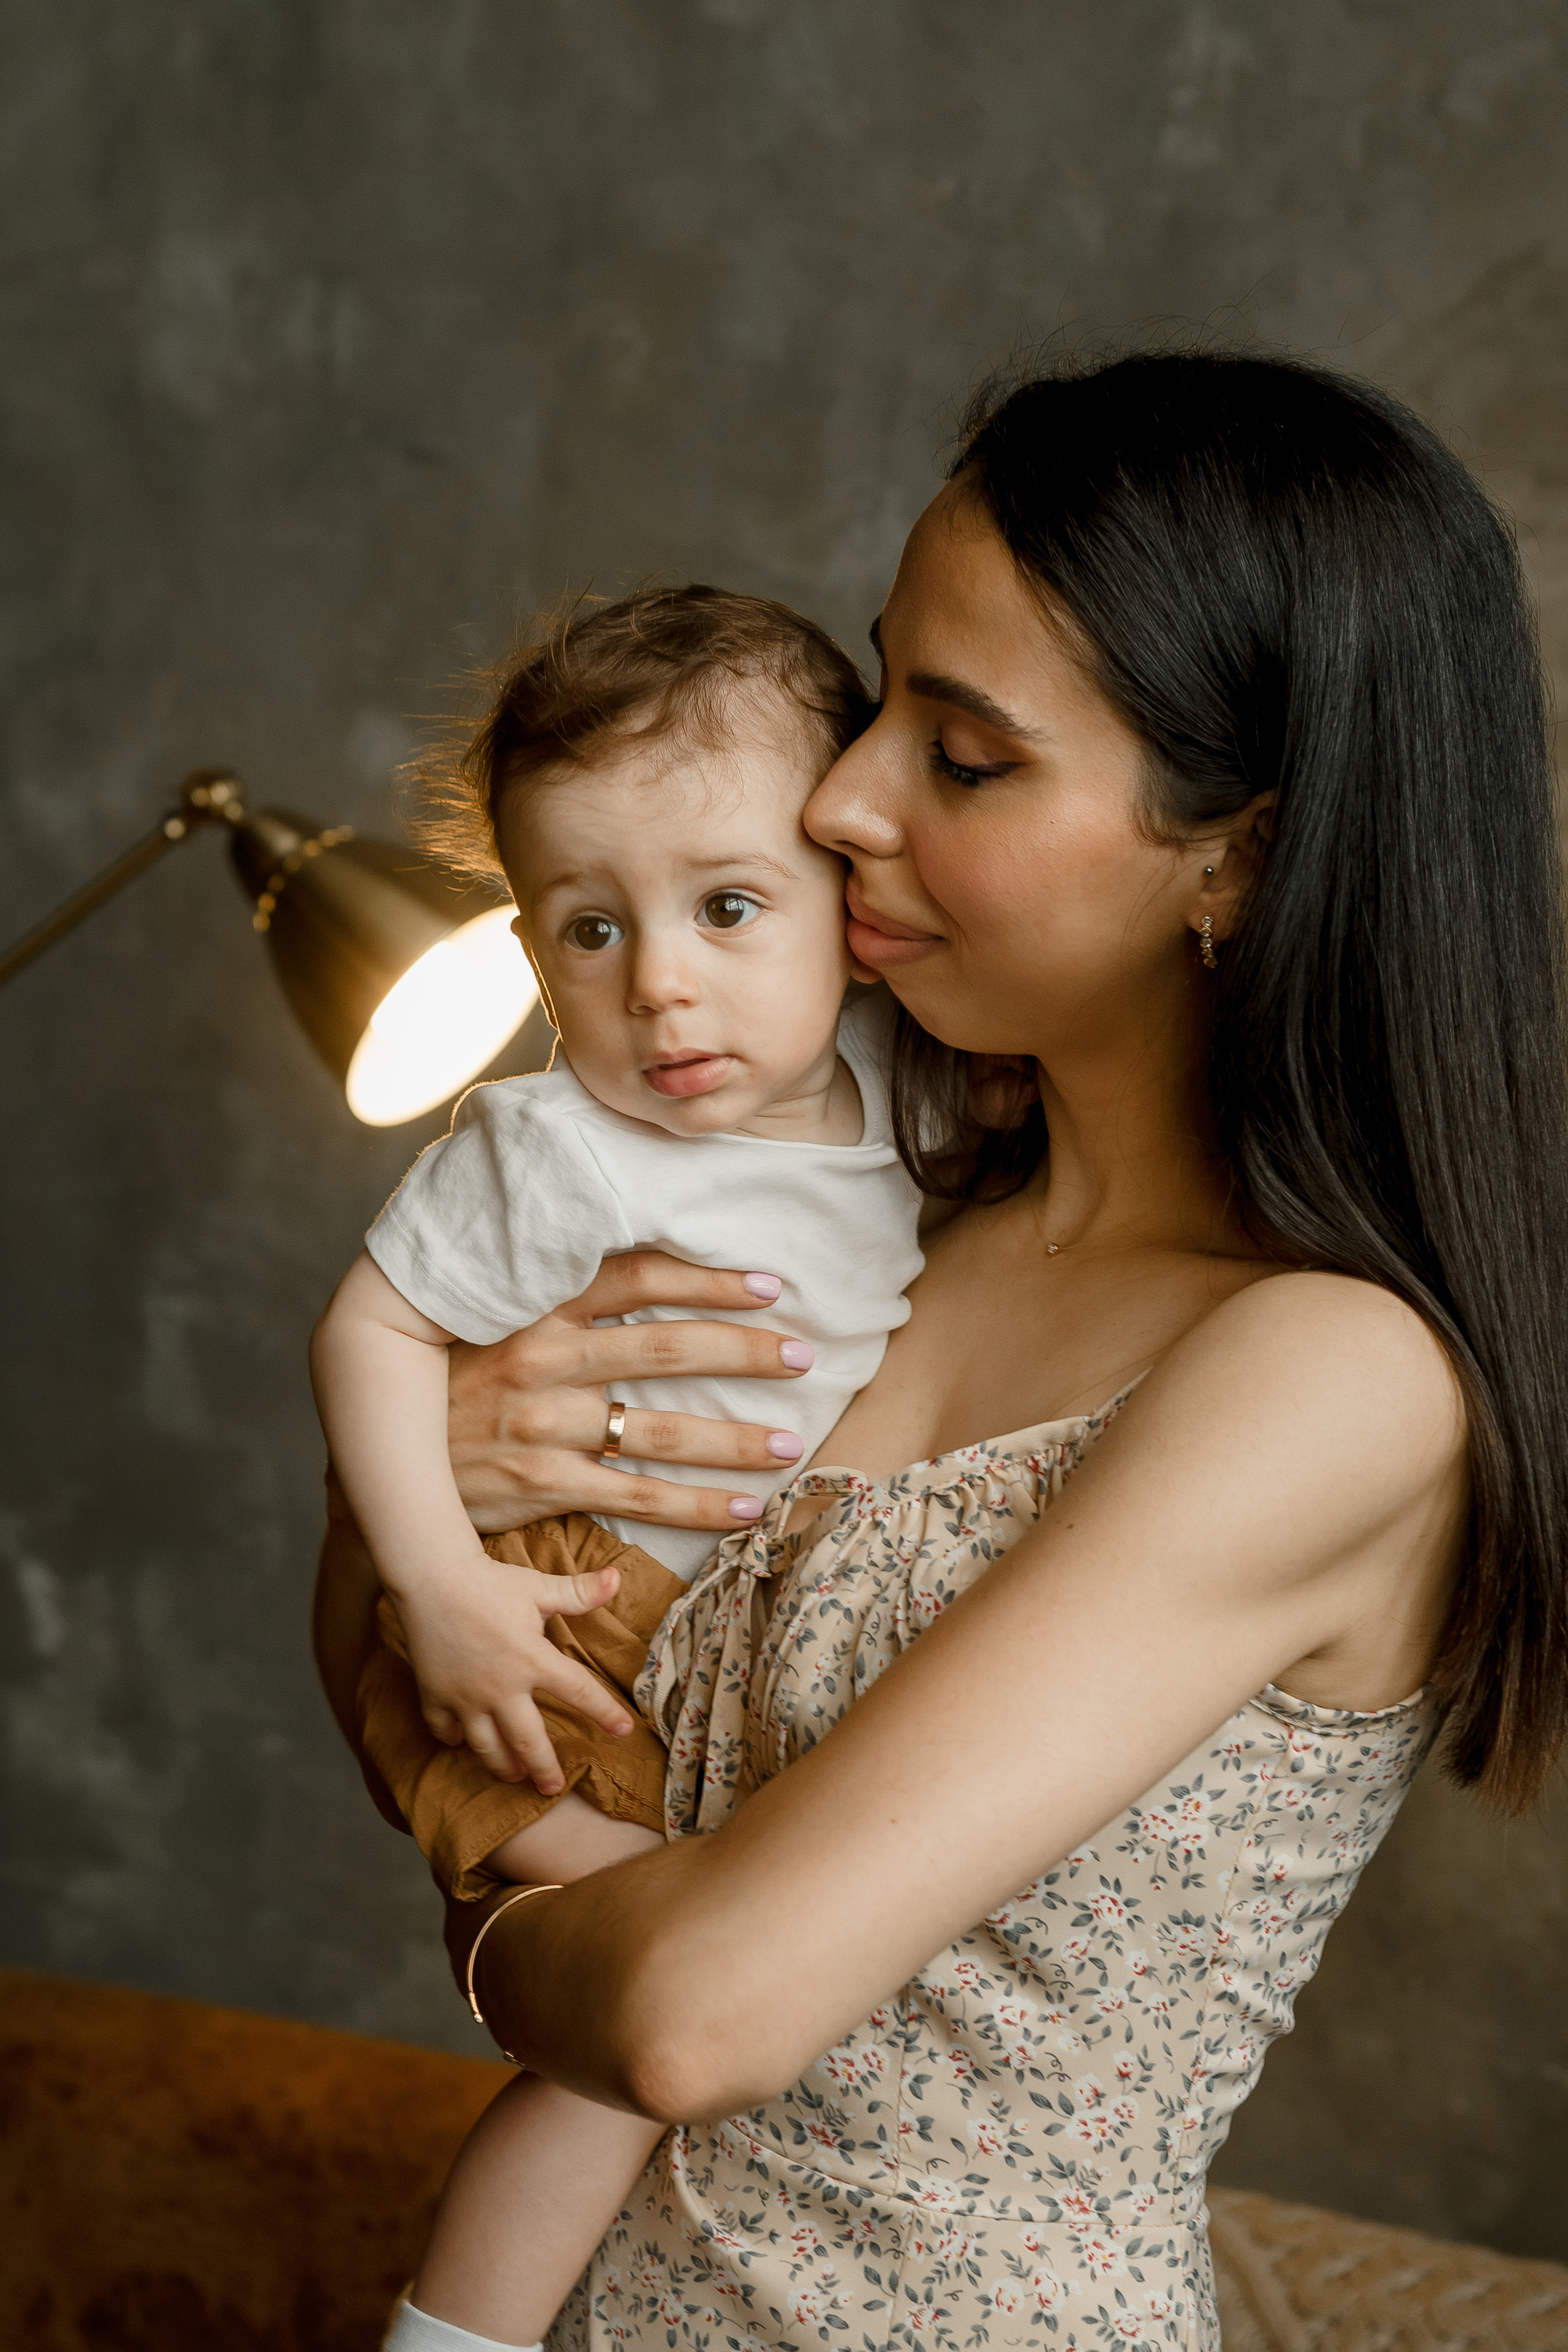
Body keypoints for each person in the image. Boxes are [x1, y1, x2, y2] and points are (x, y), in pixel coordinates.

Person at [317, 349, 1568, 2352]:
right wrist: (434, 1470)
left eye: (964, 759)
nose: (837, 795)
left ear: (1235, 855)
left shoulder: (1324, 1375)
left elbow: (690, 2011)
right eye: (883, 690)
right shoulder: (880, 1203)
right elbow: (436, 1667)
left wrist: (490, 1899)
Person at [309, 584, 925, 2351]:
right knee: (630, 2041)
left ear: (847, 902)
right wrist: (437, 1587)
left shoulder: (915, 1089)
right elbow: (369, 1334)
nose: (659, 985)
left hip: (705, 1655)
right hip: (546, 1646)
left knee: (696, 2003)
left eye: (729, 907)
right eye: (584, 929)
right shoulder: (562, 1149)